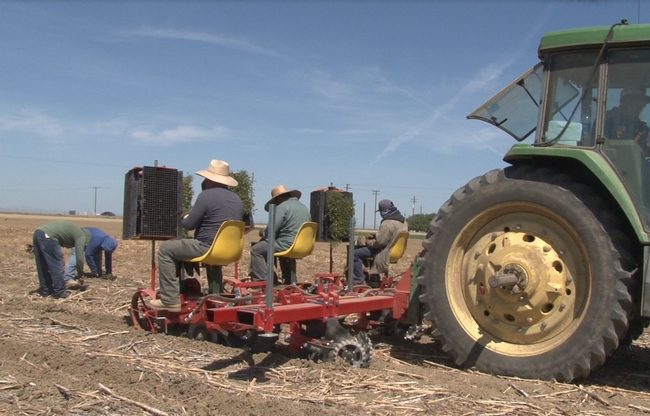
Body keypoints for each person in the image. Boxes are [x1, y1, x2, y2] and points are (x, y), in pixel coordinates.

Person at [149, 159, 244, 311]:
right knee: (197, 247)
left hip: (206, 247)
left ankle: (170, 299)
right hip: (230, 251)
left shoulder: (205, 196)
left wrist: (184, 217)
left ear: (210, 180)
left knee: (166, 249)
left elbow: (189, 225)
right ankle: (216, 294)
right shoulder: (237, 199)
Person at [249, 184, 311, 282]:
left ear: (277, 199)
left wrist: (263, 232)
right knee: (279, 248)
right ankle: (289, 280)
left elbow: (271, 230)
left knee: (256, 249)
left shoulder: (282, 207)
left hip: (287, 244)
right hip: (303, 245)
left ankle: (260, 281)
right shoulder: (304, 207)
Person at [351, 199, 408, 286]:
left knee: (354, 254)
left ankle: (358, 280)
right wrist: (375, 236)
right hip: (394, 251)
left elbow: (380, 242)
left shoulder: (387, 223)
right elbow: (391, 236)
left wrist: (368, 242)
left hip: (385, 252)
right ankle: (374, 278)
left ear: (383, 211)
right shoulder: (403, 222)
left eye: (381, 211)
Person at [32, 220, 91, 299]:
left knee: (42, 264)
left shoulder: (74, 231)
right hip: (49, 236)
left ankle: (46, 290)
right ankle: (60, 292)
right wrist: (80, 275)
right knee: (57, 264)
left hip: (38, 232)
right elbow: (79, 258)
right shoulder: (82, 236)